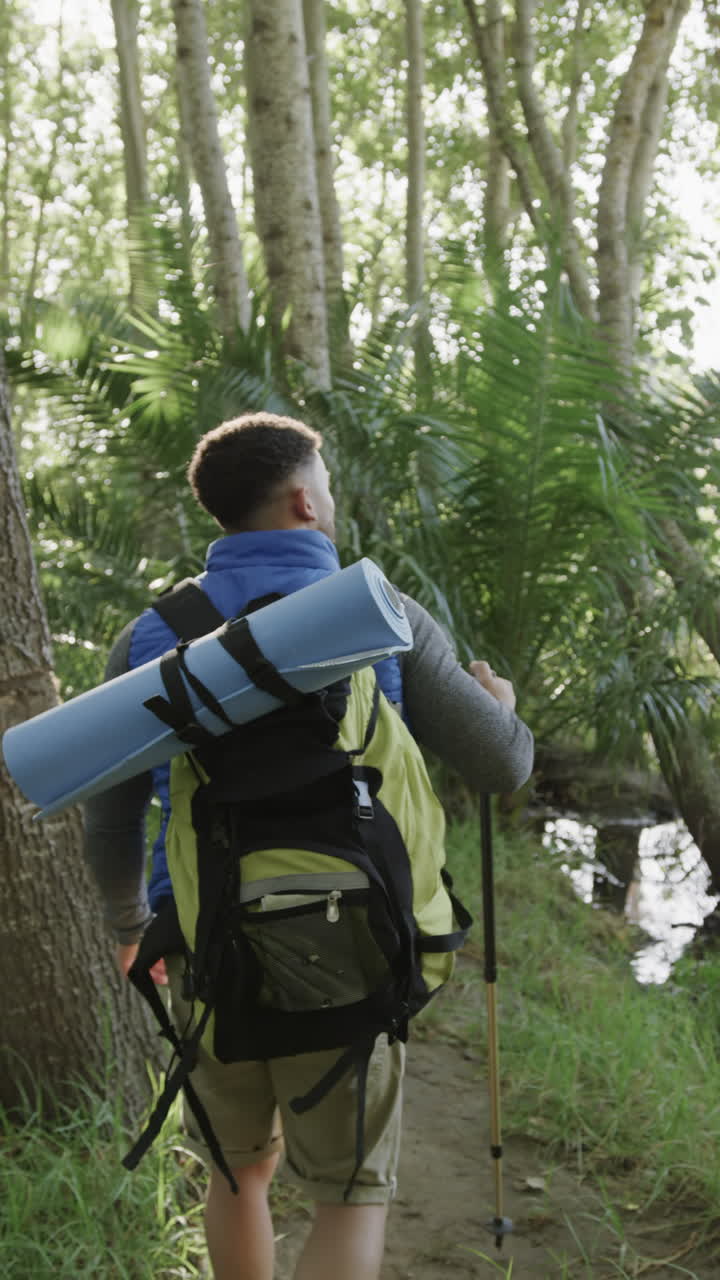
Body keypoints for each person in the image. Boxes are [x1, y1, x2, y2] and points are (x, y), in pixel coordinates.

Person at [84, 411, 534, 1280]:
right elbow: (503, 764)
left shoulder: (151, 636)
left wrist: (128, 923)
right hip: (358, 940)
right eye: (324, 481)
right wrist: (500, 703)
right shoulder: (380, 609)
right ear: (304, 500)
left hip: (208, 937)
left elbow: (111, 814)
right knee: (348, 1191)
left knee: (238, 1169)